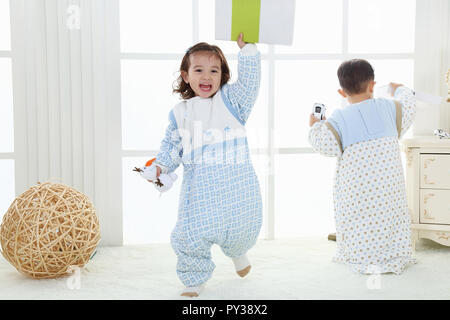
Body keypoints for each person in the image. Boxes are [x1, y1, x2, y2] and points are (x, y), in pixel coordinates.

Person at [150, 33, 262, 297]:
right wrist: (160, 167)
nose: (207, 76)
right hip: (200, 191)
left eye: (215, 70)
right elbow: (171, 145)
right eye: (199, 70)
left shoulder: (232, 102)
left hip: (237, 185)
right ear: (186, 75)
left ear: (222, 76)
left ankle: (239, 254)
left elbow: (250, 84)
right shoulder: (182, 112)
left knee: (241, 228)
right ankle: (194, 279)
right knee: (191, 234)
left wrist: (247, 53)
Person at [308, 59, 416, 274]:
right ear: (372, 85)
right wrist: (399, 88)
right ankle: (395, 251)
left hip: (358, 193)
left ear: (341, 92)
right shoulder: (389, 108)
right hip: (389, 190)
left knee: (358, 220)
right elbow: (410, 103)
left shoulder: (338, 119)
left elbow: (324, 145)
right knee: (391, 215)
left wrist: (315, 126)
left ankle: (362, 253)